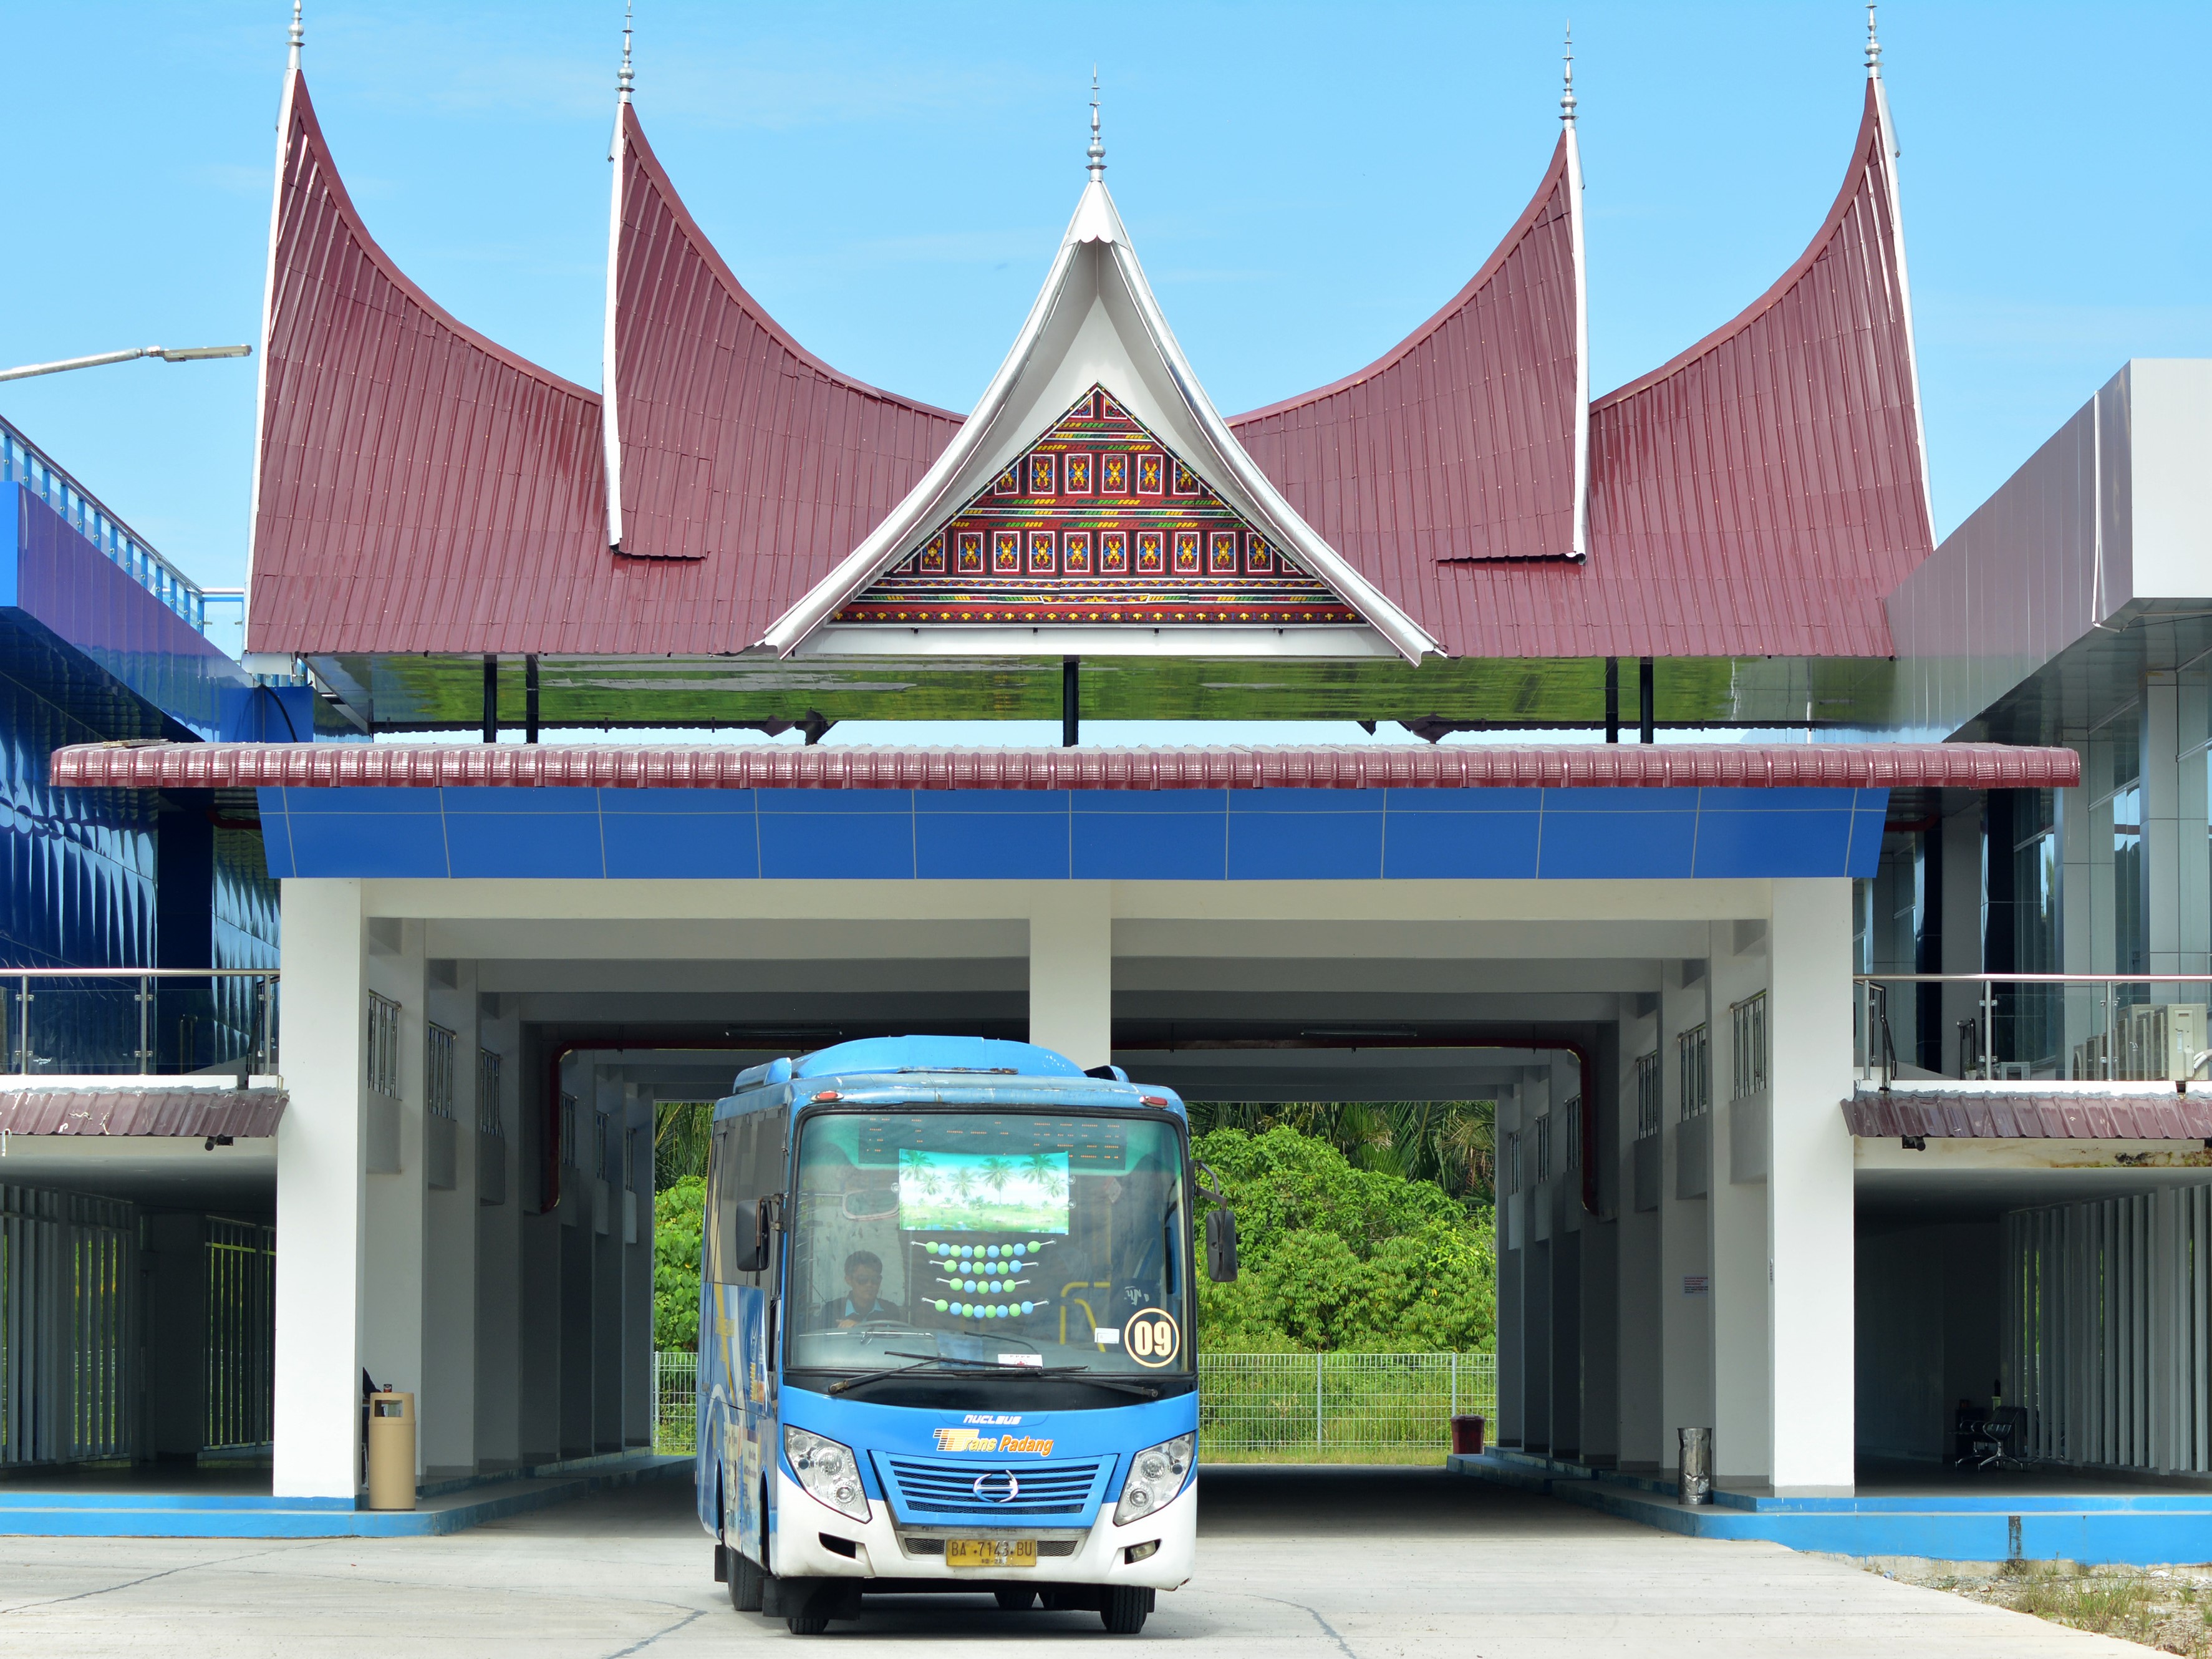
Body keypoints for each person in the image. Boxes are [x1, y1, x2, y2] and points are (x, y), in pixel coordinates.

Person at [820, 1250, 904, 1328]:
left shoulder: (890, 1310)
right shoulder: (832, 1310)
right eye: (863, 1280)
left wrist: (860, 1327)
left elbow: (895, 1340)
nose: (869, 1285)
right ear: (849, 1280)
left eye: (875, 1280)